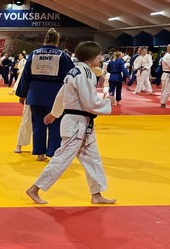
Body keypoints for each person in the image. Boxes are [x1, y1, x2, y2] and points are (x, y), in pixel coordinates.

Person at [26, 41, 116, 205]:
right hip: (76, 123)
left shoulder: (74, 71)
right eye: (99, 55)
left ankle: (96, 194)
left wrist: (54, 113)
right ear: (91, 57)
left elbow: (62, 94)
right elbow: (90, 102)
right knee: (62, 158)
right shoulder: (85, 73)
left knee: (92, 158)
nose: (101, 58)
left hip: (80, 122)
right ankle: (34, 188)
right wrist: (108, 101)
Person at [15, 28, 75, 161]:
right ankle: (53, 153)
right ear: (57, 41)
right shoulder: (62, 56)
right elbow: (71, 76)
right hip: (54, 94)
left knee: (38, 124)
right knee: (55, 124)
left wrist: (22, 94)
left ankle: (39, 154)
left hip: (35, 93)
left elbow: (25, 76)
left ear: (45, 40)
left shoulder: (34, 54)